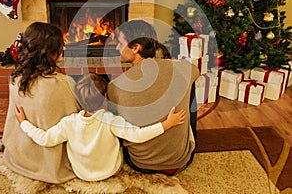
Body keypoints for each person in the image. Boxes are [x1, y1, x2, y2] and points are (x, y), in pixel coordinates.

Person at [14, 72, 186, 182]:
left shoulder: (69, 122)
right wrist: (166, 124)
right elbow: (138, 135)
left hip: (81, 173)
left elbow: (45, 139)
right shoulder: (111, 120)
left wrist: (24, 123)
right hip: (110, 171)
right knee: (125, 143)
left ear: (78, 100)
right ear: (105, 97)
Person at [107, 19, 200, 175]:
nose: (117, 47)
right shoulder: (184, 68)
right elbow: (195, 70)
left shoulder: (115, 86)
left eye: (120, 43)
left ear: (136, 48)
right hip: (180, 160)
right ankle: (180, 143)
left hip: (140, 163)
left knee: (115, 116)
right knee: (189, 87)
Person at [2, 22, 80, 184]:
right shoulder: (64, 83)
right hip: (52, 160)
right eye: (60, 45)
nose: (63, 49)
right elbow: (75, 120)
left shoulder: (16, 79)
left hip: (20, 152)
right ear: (48, 52)